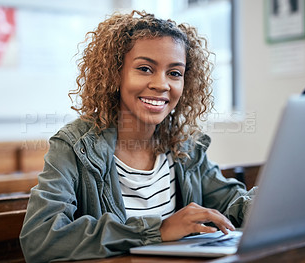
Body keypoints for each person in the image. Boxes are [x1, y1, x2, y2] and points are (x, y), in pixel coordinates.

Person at [19, 10, 256, 262]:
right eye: (144, 68)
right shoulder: (74, 145)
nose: (162, 84)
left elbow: (233, 202)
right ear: (114, 73)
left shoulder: (185, 147)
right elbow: (40, 238)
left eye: (175, 73)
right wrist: (158, 231)